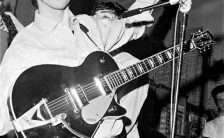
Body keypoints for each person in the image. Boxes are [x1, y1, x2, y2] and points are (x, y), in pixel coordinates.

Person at [0, 0, 158, 137]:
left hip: (113, 130)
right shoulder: (24, 46)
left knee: (129, 62)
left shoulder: (88, 25)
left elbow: (132, 20)